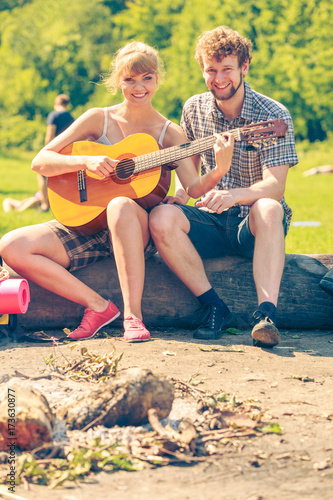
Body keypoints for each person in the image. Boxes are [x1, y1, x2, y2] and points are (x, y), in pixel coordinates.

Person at [0, 41, 233, 342]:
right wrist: (86, 160)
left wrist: (219, 170)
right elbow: (41, 161)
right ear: (117, 81)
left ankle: (132, 315)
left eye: (147, 78)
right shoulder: (99, 119)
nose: (139, 87)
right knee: (11, 246)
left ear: (158, 79)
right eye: (129, 79)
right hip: (89, 224)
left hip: (136, 231)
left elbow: (193, 187)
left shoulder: (169, 133)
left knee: (121, 205)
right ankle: (98, 306)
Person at [149, 26, 299, 348]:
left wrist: (234, 196)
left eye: (227, 69)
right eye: (211, 70)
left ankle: (265, 315)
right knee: (161, 217)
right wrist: (179, 195)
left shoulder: (272, 114)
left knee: (269, 207)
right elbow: (188, 177)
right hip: (212, 219)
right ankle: (214, 307)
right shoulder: (193, 108)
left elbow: (275, 187)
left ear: (244, 67)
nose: (219, 79)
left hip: (253, 223)